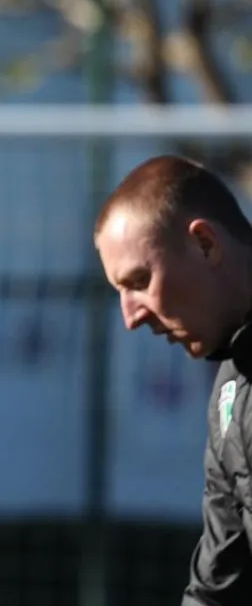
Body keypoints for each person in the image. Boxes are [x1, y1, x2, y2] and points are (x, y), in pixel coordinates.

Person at [93, 154, 252, 604]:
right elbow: (217, 588)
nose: (131, 316)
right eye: (119, 292)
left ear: (205, 243)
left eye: (139, 280)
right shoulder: (230, 393)